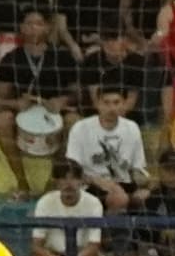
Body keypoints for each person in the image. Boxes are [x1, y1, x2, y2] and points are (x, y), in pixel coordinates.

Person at [0, 7, 77, 194]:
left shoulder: (63, 56)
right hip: (22, 111)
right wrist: (17, 104)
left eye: (39, 23)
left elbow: (77, 93)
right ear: (21, 28)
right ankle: (22, 183)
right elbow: (0, 100)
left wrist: (62, 100)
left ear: (48, 28)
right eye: (29, 23)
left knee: (74, 122)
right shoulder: (10, 59)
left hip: (55, 110)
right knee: (2, 120)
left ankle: (54, 179)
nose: (33, 28)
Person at [62, 80, 149, 209]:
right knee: (119, 199)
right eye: (106, 103)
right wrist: (98, 181)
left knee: (148, 195)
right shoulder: (81, 128)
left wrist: (144, 180)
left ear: (124, 104)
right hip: (91, 185)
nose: (111, 108)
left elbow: (138, 167)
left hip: (124, 183)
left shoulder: (132, 127)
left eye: (116, 102)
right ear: (97, 104)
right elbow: (73, 171)